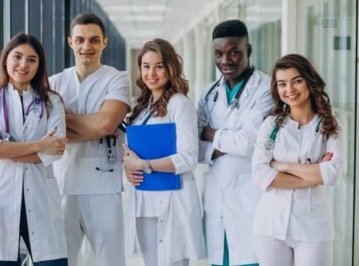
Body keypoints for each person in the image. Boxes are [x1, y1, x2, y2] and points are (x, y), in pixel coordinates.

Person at [0, 33, 68, 266]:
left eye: (32, 60)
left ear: (39, 66)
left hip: (40, 197)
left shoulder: (52, 102)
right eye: (17, 56)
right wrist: (38, 145)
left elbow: (54, 151)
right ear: (6, 59)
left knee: (53, 262)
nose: (23, 64)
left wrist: (6, 144)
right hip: (0, 199)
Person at [49, 13, 130, 266]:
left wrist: (64, 117)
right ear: (70, 42)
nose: (87, 47)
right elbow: (50, 134)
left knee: (110, 261)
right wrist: (93, 127)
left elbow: (106, 123)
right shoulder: (54, 83)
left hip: (103, 186)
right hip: (62, 184)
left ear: (104, 42)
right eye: (80, 40)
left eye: (94, 40)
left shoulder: (117, 78)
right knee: (61, 260)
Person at [252, 54, 343, 266]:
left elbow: (333, 173)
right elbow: (260, 174)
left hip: (313, 227)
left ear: (309, 82)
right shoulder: (271, 125)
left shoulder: (330, 125)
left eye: (297, 81)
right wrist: (315, 173)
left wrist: (282, 166)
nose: (289, 90)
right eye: (282, 84)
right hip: (270, 226)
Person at [122, 38, 206, 266]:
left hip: (173, 200)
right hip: (144, 200)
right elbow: (133, 153)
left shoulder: (180, 105)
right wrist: (129, 168)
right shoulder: (141, 107)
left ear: (171, 68)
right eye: (146, 66)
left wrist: (144, 165)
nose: (151, 73)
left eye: (159, 66)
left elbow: (188, 157)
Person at [197, 19, 273, 266]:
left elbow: (249, 143)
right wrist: (225, 142)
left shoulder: (266, 89)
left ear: (248, 51)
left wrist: (210, 134)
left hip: (250, 199)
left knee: (252, 259)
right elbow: (194, 147)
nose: (225, 61)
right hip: (217, 202)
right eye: (218, 54)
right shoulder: (209, 93)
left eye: (234, 52)